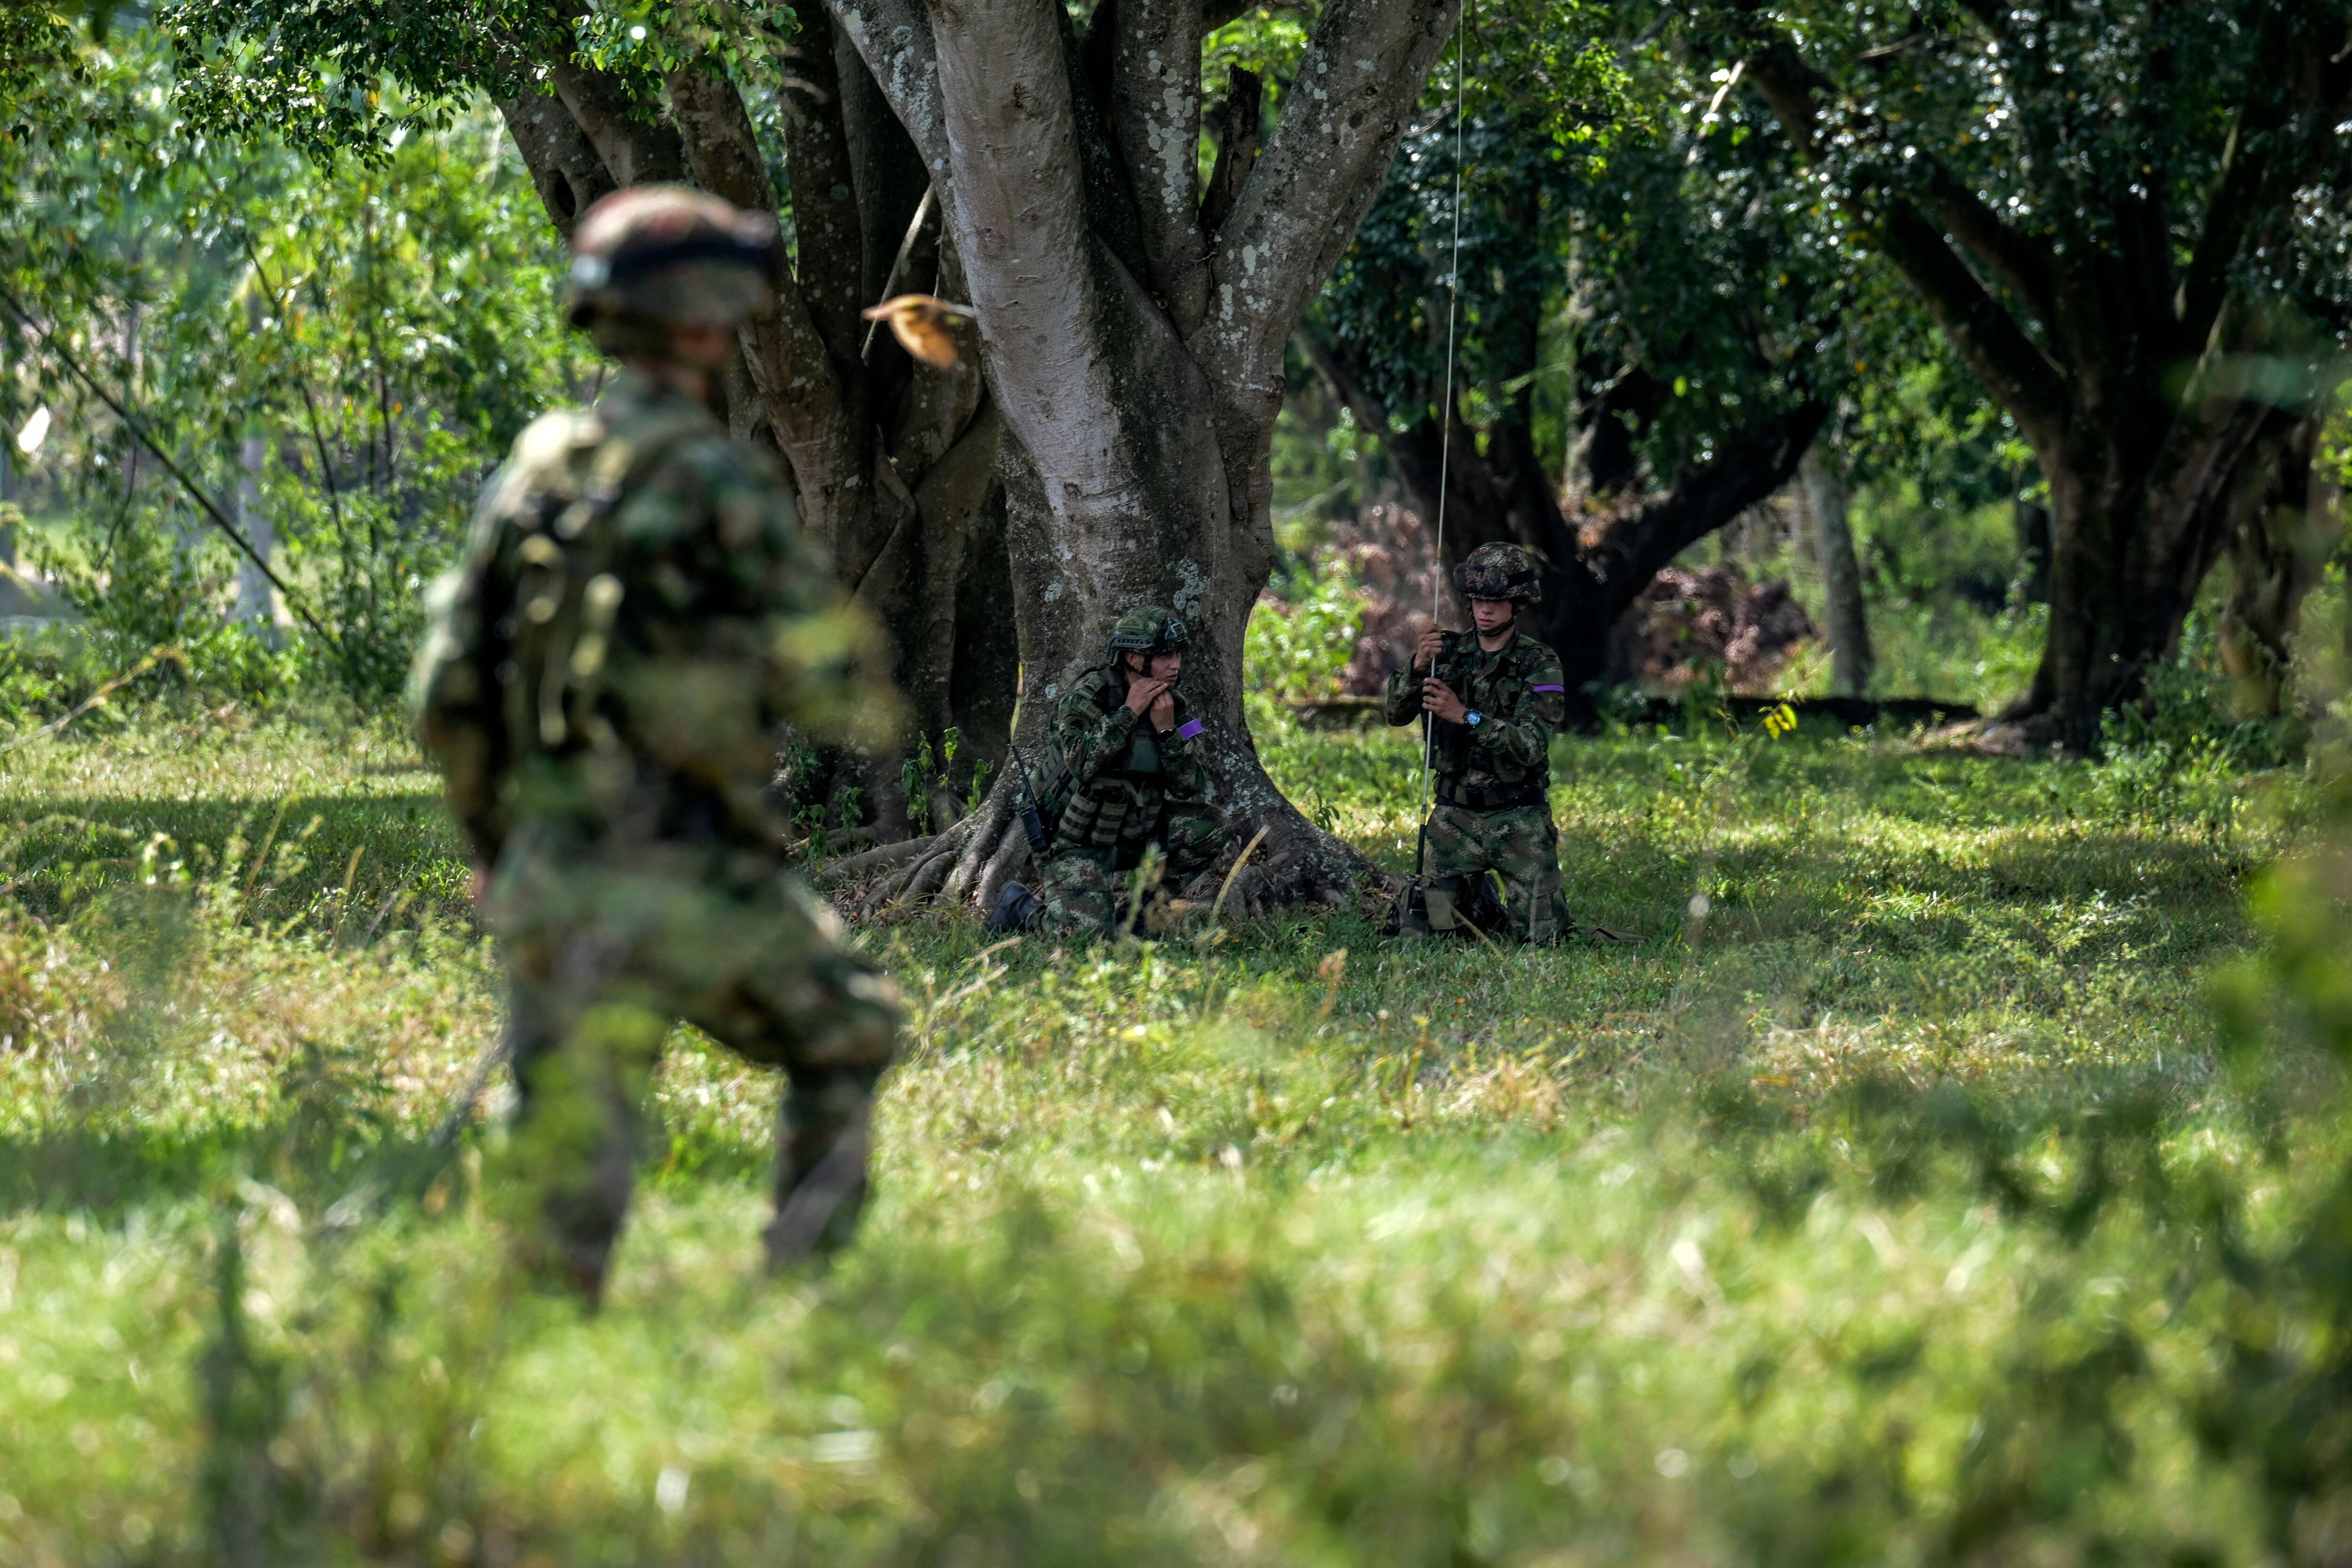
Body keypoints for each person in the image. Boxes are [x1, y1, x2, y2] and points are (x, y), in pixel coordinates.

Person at [412, 185, 901, 1301]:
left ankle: (533, 1369)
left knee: (567, 1155)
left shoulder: (537, 470)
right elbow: (830, 680)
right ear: (700, 322)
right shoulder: (715, 479)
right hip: (689, 869)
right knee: (848, 1036)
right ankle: (800, 1299)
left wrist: (501, 843)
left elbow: (447, 693)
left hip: (551, 869)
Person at [988, 606, 1233, 937]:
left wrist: (1166, 733)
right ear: (1133, 659)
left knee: (1212, 827)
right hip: (1077, 840)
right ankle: (1019, 908)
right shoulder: (1087, 697)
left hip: (1136, 831)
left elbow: (1192, 784)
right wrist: (1128, 715)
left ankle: (1141, 921)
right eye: (1163, 656)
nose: (1175, 664)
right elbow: (1082, 765)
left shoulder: (1178, 708)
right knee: (1085, 937)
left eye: (1177, 654)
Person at [1385, 541, 1573, 943]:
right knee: (1426, 933)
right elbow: (1395, 714)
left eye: (1497, 601)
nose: (1485, 609)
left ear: (1518, 604)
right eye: (1477, 600)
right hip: (1455, 820)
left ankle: (1491, 906)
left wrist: (1465, 715)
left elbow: (1531, 746)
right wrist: (1418, 668)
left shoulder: (1539, 663)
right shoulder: (1445, 653)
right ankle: (1480, 905)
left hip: (1519, 817)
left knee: (1544, 939)